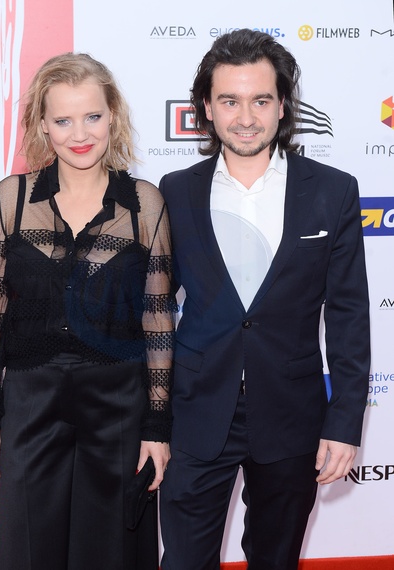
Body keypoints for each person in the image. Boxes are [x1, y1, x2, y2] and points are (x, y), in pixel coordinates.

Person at [159, 28, 370, 570]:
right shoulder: (174, 191)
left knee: (276, 560)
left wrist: (344, 423)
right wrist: (149, 420)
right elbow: (152, 310)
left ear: (282, 106)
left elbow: (348, 315)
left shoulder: (333, 190)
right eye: (230, 101)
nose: (246, 117)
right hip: (196, 410)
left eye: (260, 100)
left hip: (291, 414)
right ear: (208, 108)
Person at [0, 52, 175, 570]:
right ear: (43, 125)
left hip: (118, 405)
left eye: (92, 116)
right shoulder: (11, 199)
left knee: (112, 551)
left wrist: (156, 426)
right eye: (63, 120)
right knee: (28, 547)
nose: (80, 134)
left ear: (113, 116)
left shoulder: (144, 203)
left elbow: (157, 321)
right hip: (31, 403)